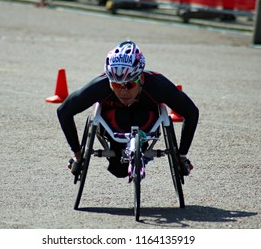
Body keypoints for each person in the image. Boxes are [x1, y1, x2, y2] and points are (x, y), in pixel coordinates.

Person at [57, 40, 199, 178]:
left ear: (141, 77)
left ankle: (140, 151)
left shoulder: (158, 85)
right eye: (117, 86)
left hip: (145, 125)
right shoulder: (100, 86)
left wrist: (181, 155)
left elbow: (191, 112)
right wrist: (78, 154)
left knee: (141, 116)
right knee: (119, 171)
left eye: (129, 85)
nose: (123, 92)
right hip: (114, 128)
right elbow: (64, 111)